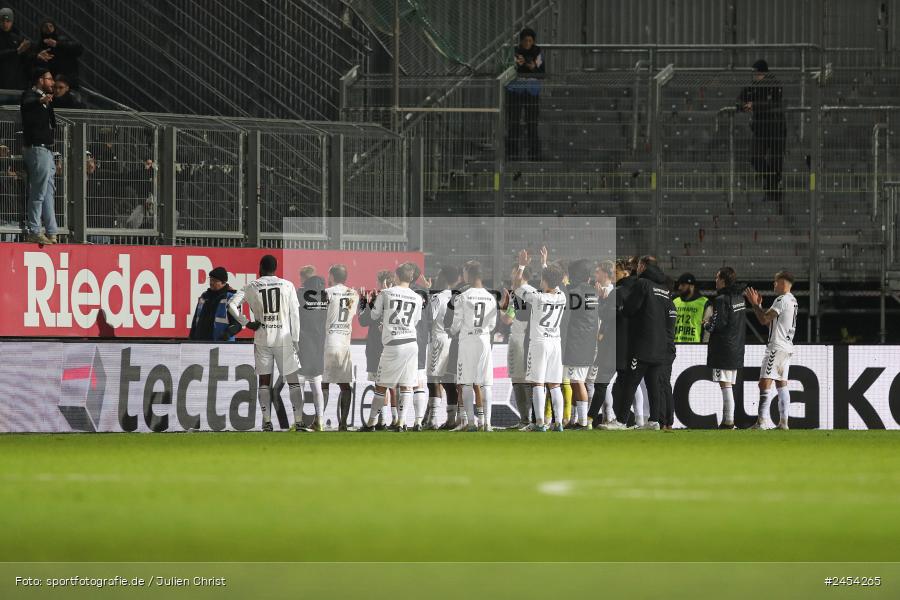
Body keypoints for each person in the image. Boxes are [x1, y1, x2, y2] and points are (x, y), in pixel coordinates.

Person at [227, 255, 304, 432]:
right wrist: (296, 339)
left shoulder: (252, 286)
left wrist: (246, 322)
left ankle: (267, 421)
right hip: (284, 337)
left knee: (264, 381)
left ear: (260, 267)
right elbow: (295, 315)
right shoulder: (288, 285)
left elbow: (232, 305)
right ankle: (299, 421)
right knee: (293, 381)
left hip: (262, 337)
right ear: (276, 268)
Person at [359, 263, 423, 432]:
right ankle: (401, 423)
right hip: (411, 343)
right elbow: (415, 321)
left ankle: (372, 422)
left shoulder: (386, 293)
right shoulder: (417, 297)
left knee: (381, 386)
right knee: (407, 385)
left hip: (393, 344)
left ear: (396, 276)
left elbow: (373, 315)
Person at [512, 250, 567, 432]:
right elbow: (554, 280)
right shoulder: (562, 296)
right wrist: (545, 264)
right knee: (554, 384)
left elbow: (516, 286)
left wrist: (521, 265)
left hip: (539, 343)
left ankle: (540, 423)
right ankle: (558, 423)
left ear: (544, 280)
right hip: (555, 344)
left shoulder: (537, 298)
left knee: (538, 383)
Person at [619, 256, 671, 431]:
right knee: (653, 384)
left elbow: (631, 308)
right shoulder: (664, 289)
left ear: (642, 266)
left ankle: (620, 421)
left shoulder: (643, 285)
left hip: (642, 344)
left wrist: (622, 308)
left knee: (630, 382)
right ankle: (654, 421)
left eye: (638, 266)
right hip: (660, 345)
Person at [450, 261, 502, 432]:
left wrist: (451, 330)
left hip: (467, 341)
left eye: (465, 272)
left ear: (469, 275)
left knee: (466, 381)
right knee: (486, 383)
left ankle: (471, 423)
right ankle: (487, 423)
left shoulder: (462, 296)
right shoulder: (491, 297)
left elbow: (456, 324)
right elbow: (493, 324)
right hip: (484, 339)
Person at [744, 271, 798, 430]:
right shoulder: (793, 300)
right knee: (782, 384)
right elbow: (772, 324)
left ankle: (761, 422)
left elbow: (763, 320)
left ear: (783, 283)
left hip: (777, 347)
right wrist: (759, 307)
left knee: (764, 383)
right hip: (787, 348)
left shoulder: (781, 300)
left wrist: (754, 303)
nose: (774, 285)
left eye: (776, 282)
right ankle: (783, 423)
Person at [703, 267, 747, 429]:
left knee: (725, 384)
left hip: (723, 348)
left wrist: (707, 325)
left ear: (723, 280)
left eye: (717, 278)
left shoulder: (721, 300)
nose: (715, 281)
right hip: (736, 347)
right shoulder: (739, 298)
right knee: (727, 383)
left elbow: (718, 324)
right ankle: (728, 420)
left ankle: (728, 421)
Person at [739, 59, 786, 204]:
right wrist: (746, 106)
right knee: (755, 158)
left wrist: (754, 105)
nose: (755, 75)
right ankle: (771, 180)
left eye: (757, 73)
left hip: (776, 130)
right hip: (760, 130)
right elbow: (741, 100)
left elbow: (773, 104)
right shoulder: (753, 86)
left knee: (776, 162)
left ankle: (773, 192)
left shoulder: (774, 85)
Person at [560, 258, 600, 429]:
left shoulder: (575, 292)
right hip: (587, 342)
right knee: (578, 381)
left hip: (577, 343)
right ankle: (577, 420)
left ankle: (584, 422)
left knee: (577, 382)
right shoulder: (592, 291)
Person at [20, 68, 58, 245]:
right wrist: (40, 100)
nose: (52, 83)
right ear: (40, 80)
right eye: (49, 79)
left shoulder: (46, 100)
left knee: (49, 191)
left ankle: (52, 230)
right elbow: (28, 103)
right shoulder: (30, 96)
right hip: (37, 149)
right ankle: (34, 229)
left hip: (47, 151)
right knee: (39, 191)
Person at [321, 264, 360, 431]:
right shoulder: (354, 294)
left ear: (331, 276)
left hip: (329, 341)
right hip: (345, 344)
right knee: (345, 385)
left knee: (323, 383)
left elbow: (321, 315)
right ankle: (343, 423)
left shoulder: (327, 293)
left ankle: (319, 421)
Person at [425, 265, 459, 429]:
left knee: (433, 380)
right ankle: (452, 419)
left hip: (438, 339)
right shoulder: (457, 296)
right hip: (452, 341)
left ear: (444, 278)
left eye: (439, 275)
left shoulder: (438, 297)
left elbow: (429, 318)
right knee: (448, 381)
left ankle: (432, 420)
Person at [506, 27, 544, 161]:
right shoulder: (515, 52)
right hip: (515, 90)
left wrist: (532, 67)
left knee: (532, 123)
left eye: (530, 41)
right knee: (513, 122)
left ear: (533, 41)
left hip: (531, 91)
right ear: (521, 41)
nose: (527, 43)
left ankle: (534, 153)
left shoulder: (537, 52)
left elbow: (542, 72)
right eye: (525, 41)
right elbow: (507, 70)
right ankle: (512, 152)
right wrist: (516, 64)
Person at [501, 265, 532, 428]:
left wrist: (502, 306)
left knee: (518, 379)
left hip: (519, 339)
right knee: (531, 380)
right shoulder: (535, 291)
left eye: (514, 273)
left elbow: (507, 319)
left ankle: (525, 420)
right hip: (532, 339)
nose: (512, 276)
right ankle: (533, 419)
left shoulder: (518, 295)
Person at [297, 275, 328, 431]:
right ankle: (320, 421)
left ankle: (298, 421)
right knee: (316, 385)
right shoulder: (326, 297)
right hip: (320, 345)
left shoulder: (300, 295)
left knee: (300, 383)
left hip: (303, 344)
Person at [588, 260, 617, 428]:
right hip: (598, 343)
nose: (595, 275)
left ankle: (603, 417)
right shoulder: (598, 292)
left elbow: (607, 319)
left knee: (600, 382)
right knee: (601, 383)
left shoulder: (611, 293)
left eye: (598, 272)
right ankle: (606, 417)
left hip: (606, 343)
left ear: (606, 274)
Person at [189, 267, 241, 341]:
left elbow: (237, 324)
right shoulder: (204, 296)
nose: (211, 283)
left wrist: (227, 334)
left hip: (221, 344)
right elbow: (195, 320)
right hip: (200, 342)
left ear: (224, 282)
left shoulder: (231, 298)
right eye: (210, 279)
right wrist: (191, 337)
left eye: (215, 281)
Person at [35, 19, 83, 88]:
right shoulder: (40, 46)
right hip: (51, 83)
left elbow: (78, 49)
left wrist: (57, 44)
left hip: (67, 80)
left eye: (50, 26)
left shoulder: (62, 40)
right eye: (45, 27)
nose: (48, 29)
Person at [673, 273, 711, 343]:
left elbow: (707, 330)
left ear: (691, 286)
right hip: (676, 346)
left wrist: (705, 346)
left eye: (683, 285)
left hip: (695, 348)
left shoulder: (704, 303)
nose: (679, 288)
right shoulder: (675, 302)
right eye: (679, 285)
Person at [0, 9, 31, 93]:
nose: (5, 23)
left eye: (8, 21)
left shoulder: (16, 37)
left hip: (14, 81)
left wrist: (37, 56)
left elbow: (25, 58)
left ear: (12, 22)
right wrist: (16, 51)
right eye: (2, 20)